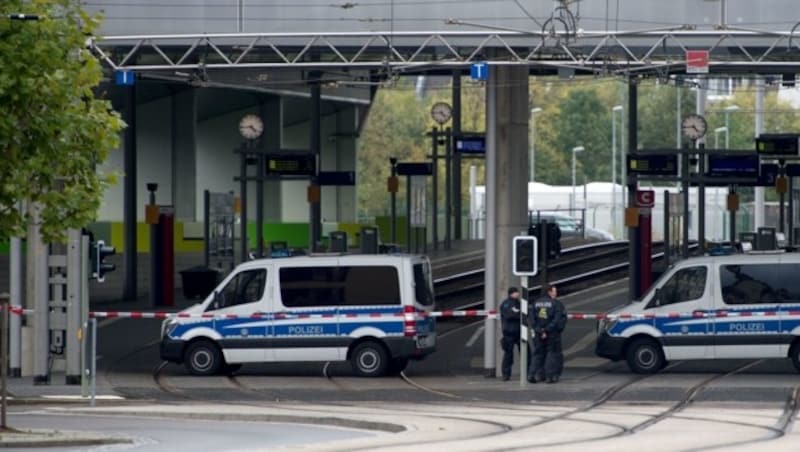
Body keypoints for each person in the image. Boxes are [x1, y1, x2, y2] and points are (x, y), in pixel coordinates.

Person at [528, 284, 567, 383]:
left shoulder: (535, 303)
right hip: (551, 333)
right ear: (549, 291)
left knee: (537, 353)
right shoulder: (555, 304)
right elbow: (557, 319)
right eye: (554, 291)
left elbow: (532, 319)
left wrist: (539, 330)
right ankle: (549, 376)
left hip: (538, 332)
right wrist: (547, 330)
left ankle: (531, 374)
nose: (555, 293)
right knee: (551, 353)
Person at [500, 287, 529, 381]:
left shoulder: (519, 303)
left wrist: (519, 314)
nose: (518, 294)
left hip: (518, 331)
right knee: (509, 354)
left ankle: (526, 372)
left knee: (525, 351)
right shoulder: (506, 304)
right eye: (516, 292)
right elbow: (509, 315)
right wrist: (519, 315)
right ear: (512, 294)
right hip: (510, 331)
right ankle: (506, 374)